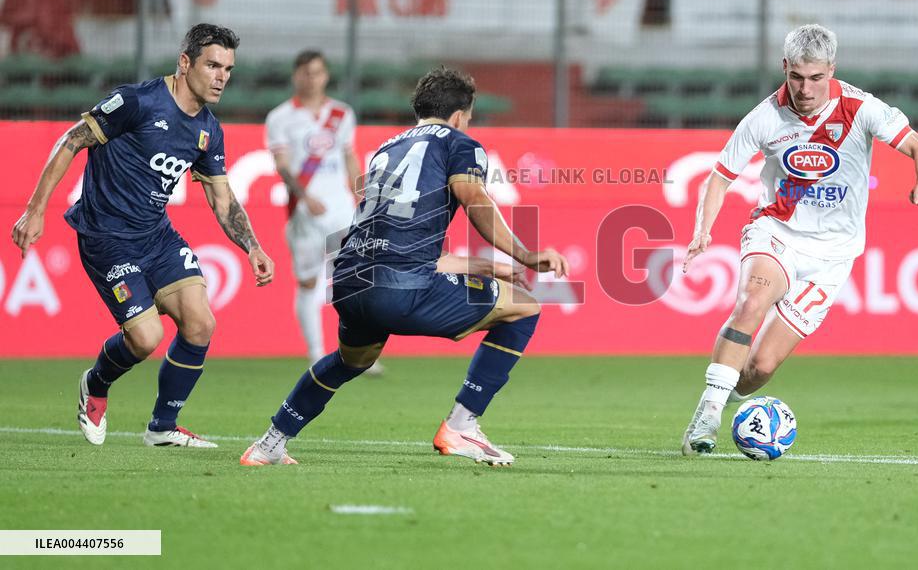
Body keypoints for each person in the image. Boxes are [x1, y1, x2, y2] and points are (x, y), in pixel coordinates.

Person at [240, 67, 569, 467]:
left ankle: (269, 444)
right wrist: (524, 254)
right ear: (460, 115)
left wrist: (483, 266)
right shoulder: (460, 144)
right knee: (524, 307)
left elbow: (400, 243)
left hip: (349, 281)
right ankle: (462, 426)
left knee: (350, 361)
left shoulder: (387, 149)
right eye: (468, 117)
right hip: (398, 289)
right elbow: (475, 199)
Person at [11, 23, 274, 448]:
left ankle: (162, 427)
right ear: (185, 62)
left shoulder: (208, 130)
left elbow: (222, 199)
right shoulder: (137, 102)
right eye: (212, 65)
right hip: (107, 236)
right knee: (146, 337)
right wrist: (35, 209)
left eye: (228, 69)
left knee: (200, 323)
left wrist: (253, 246)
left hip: (156, 236)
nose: (221, 77)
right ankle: (96, 384)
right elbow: (71, 140)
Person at [680, 24, 918, 455]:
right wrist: (701, 230)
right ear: (785, 67)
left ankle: (724, 398)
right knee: (750, 302)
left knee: (761, 368)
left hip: (833, 256)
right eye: (796, 77)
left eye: (816, 78)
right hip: (777, 232)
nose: (805, 89)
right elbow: (720, 177)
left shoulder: (861, 108)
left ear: (831, 70)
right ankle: (707, 413)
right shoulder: (765, 116)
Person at [264, 50, 382, 374]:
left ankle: (359, 354)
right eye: (305, 72)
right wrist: (304, 196)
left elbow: (349, 156)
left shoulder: (342, 113)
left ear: (326, 75)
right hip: (304, 212)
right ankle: (316, 354)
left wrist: (362, 195)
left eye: (317, 72)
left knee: (354, 279)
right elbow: (282, 165)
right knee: (307, 282)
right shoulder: (280, 117)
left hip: (340, 208)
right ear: (295, 76)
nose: (311, 78)